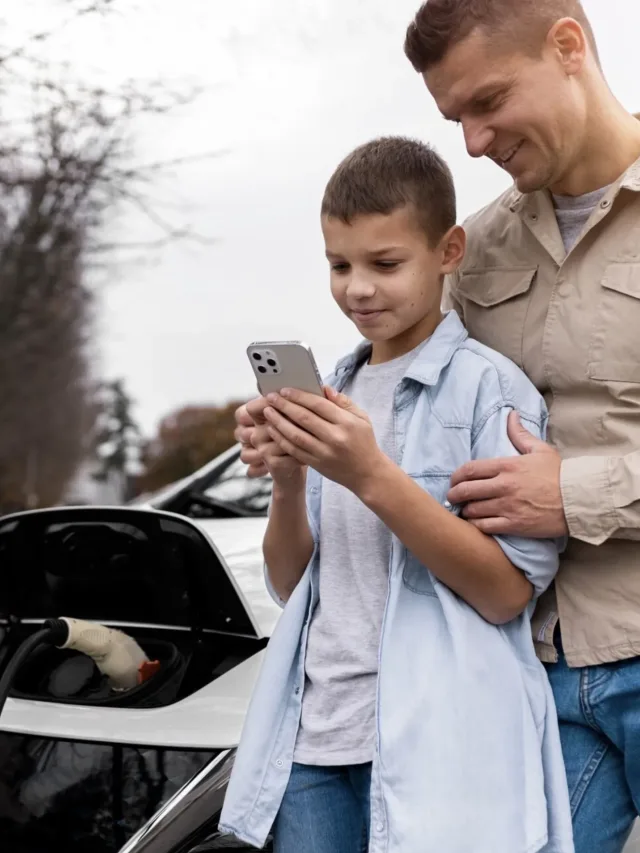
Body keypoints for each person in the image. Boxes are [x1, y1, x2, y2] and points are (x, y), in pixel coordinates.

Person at [220, 137, 573, 853]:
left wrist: (372, 475)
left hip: (435, 752)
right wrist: (288, 479)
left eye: (385, 263)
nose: (358, 288)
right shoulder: (333, 396)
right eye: (338, 264)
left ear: (449, 251)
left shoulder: (489, 391)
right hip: (313, 743)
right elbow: (294, 586)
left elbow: (507, 592)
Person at [403, 2, 640, 852]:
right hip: (530, 669)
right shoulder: (482, 250)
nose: (473, 142)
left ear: (568, 46)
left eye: (487, 102)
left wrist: (569, 492)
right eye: (455, 117)